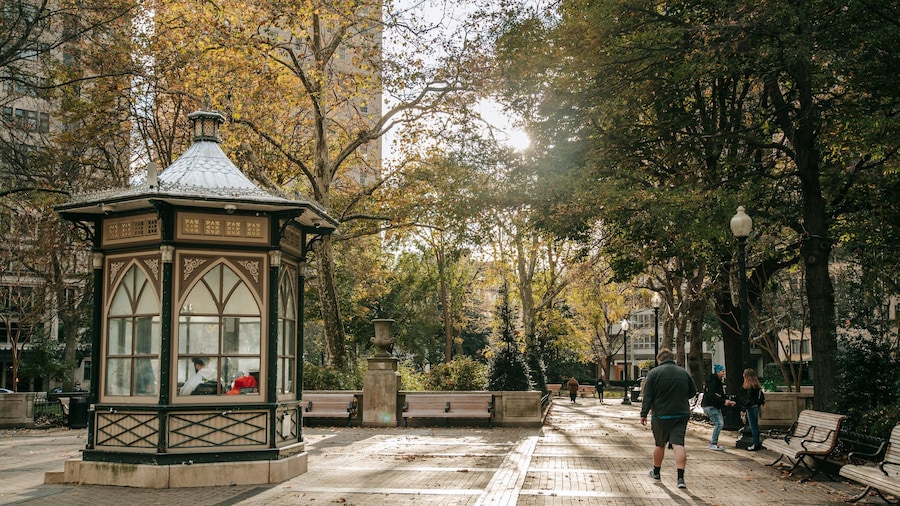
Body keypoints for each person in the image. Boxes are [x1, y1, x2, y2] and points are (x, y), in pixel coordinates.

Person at [640, 348, 697, 489]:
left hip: (661, 414)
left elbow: (648, 396)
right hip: (681, 413)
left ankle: (657, 472)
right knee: (678, 444)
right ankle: (680, 478)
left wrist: (643, 413)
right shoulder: (683, 372)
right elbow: (693, 392)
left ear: (659, 360)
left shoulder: (654, 373)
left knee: (660, 444)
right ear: (672, 358)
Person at [700, 364, 736, 450]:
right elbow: (712, 395)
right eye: (722, 371)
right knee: (719, 423)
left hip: (713, 406)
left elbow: (720, 395)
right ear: (717, 372)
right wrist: (724, 401)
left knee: (719, 423)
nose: (724, 373)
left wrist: (727, 400)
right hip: (710, 406)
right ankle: (713, 443)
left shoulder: (718, 382)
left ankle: (714, 442)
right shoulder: (713, 382)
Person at [739, 368, 766, 451]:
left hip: (750, 407)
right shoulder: (756, 386)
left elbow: (747, 399)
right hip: (755, 406)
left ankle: (755, 444)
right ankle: (756, 443)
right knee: (755, 426)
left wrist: (743, 409)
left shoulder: (747, 387)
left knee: (753, 426)